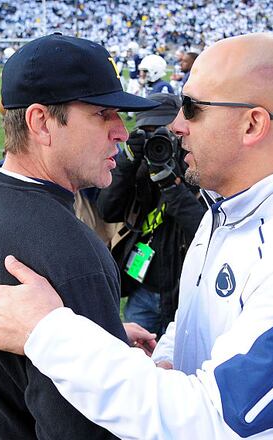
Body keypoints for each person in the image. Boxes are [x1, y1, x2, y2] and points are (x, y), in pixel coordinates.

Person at [0, 33, 273, 439]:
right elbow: (196, 324)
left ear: (252, 124)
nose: (176, 125)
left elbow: (222, 422)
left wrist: (47, 332)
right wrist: (161, 363)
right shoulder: (231, 208)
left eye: (191, 108)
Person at [0, 34, 159, 440]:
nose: (121, 131)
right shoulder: (70, 251)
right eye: (103, 114)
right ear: (40, 122)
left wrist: (106, 338)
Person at [97, 93, 206, 335]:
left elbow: (202, 228)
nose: (155, 139)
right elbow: (108, 210)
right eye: (147, 132)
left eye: (161, 131)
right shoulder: (137, 166)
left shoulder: (195, 167)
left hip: (183, 293)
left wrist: (170, 184)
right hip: (142, 287)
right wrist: (128, 162)